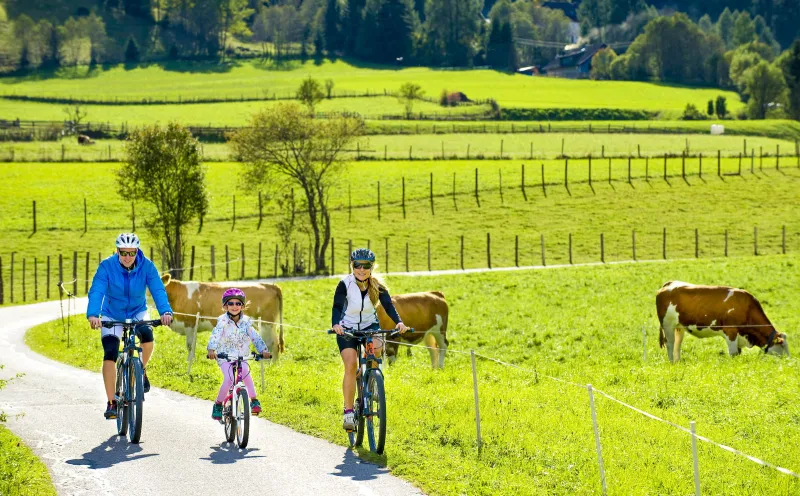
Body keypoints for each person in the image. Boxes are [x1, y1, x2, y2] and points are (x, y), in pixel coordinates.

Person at [87, 233, 173, 419]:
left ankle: (140, 369)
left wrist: (165, 312)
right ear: (117, 250)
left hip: (137, 312)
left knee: (147, 337)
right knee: (110, 352)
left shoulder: (147, 266)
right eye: (123, 252)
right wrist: (94, 314)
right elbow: (97, 290)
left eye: (131, 253)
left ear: (137, 251)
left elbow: (158, 289)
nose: (127, 257)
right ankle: (111, 402)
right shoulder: (106, 267)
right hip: (111, 313)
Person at [331, 248, 408, 430]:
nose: (361, 269)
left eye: (366, 266)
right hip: (347, 330)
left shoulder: (377, 286)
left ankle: (373, 382)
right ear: (352, 266)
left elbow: (389, 306)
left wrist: (399, 322)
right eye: (358, 265)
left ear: (371, 267)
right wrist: (336, 324)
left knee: (378, 346)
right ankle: (349, 412)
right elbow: (337, 306)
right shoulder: (345, 284)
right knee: (350, 365)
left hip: (369, 326)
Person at [207, 288, 271, 420]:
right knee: (229, 378)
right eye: (231, 303)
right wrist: (211, 350)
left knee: (246, 372)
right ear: (225, 306)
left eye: (238, 303)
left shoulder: (246, 322)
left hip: (242, 355)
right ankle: (218, 404)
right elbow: (215, 335)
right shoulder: (222, 321)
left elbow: (255, 337)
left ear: (242, 305)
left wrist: (263, 350)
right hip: (225, 356)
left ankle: (253, 400)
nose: (234, 306)